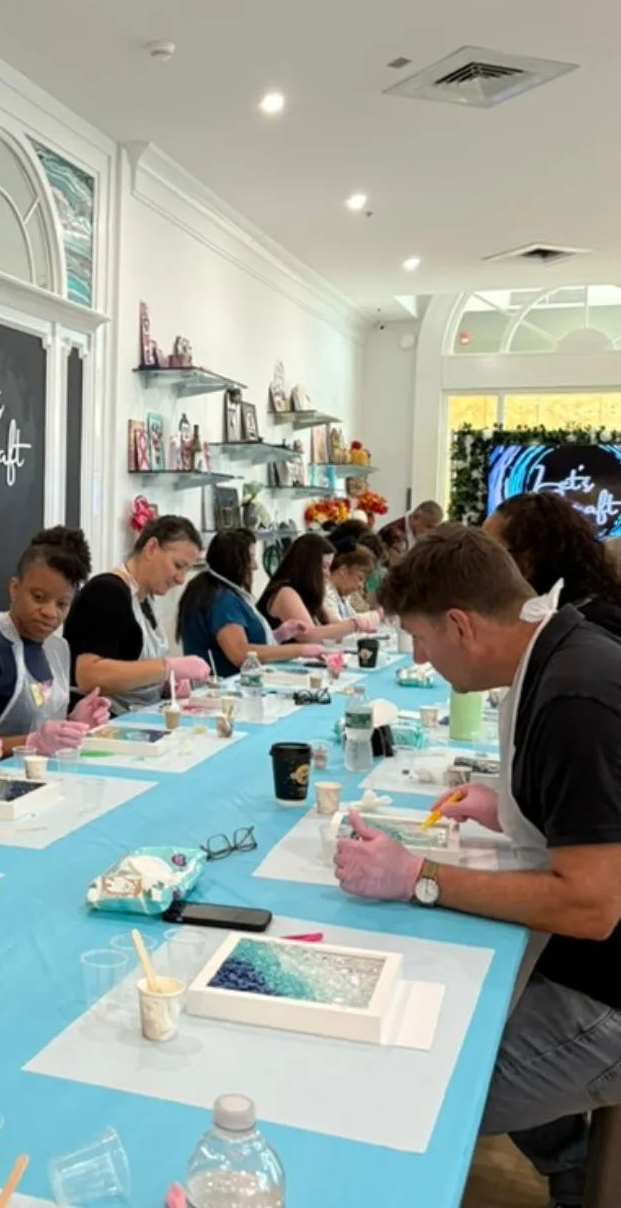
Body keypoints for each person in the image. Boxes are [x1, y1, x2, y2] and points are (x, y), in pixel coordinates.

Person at [332, 526, 621, 1207]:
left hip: (606, 992)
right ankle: (568, 1162)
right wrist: (515, 807)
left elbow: (591, 906)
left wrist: (418, 878)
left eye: (421, 641)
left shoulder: (574, 697)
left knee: (407, 1094)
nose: (422, 660)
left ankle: (573, 1169)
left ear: (460, 625)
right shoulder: (563, 650)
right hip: (586, 960)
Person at [0, 527, 110, 755]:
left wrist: (72, 724)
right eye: (38, 597)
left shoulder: (57, 649)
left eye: (62, 604)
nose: (50, 612)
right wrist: (31, 743)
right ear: (15, 589)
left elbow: (41, 723)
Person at [63, 515, 211, 713]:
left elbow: (136, 668)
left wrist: (166, 684)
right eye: (178, 565)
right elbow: (88, 675)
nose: (181, 579)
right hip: (101, 719)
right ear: (151, 548)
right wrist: (166, 668)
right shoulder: (106, 592)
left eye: (187, 570)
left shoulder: (146, 601)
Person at [177, 530, 327, 678]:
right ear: (234, 563)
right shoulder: (221, 599)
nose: (255, 566)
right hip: (224, 683)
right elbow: (240, 653)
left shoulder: (223, 592)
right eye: (251, 559)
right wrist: (300, 650)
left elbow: (241, 641)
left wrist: (277, 636)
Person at [484, 491, 621, 642]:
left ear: (526, 565)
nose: (481, 566)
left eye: (490, 554)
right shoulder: (574, 622)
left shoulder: (584, 635)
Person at [257, 534, 376, 643]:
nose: (328, 574)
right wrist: (354, 624)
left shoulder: (308, 594)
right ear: (309, 566)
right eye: (324, 567)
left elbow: (332, 627)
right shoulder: (285, 593)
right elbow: (309, 635)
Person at [321, 545, 376, 623]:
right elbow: (336, 624)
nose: (361, 585)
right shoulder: (326, 592)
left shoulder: (343, 597)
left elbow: (355, 617)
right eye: (360, 578)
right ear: (343, 570)